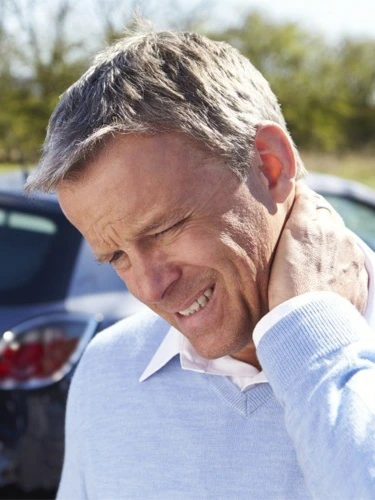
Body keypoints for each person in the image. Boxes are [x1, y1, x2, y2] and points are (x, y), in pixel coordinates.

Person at [26, 26, 375, 499]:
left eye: (164, 229)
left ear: (270, 166)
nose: (151, 289)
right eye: (117, 257)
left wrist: (314, 348)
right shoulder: (108, 371)